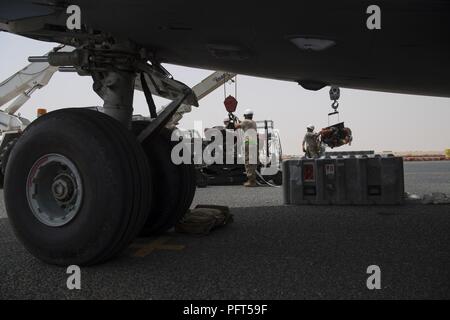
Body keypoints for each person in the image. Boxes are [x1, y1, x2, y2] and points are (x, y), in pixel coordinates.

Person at [235, 109, 258, 187]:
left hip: (249, 143)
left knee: (248, 161)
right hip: (254, 142)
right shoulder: (253, 122)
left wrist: (236, 122)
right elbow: (244, 124)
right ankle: (253, 179)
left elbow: (236, 126)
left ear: (245, 115)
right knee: (253, 161)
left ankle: (251, 181)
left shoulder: (245, 122)